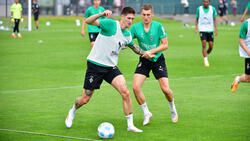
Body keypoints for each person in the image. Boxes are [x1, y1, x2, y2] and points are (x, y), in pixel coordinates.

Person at [65, 7, 155, 132]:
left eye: (132, 19)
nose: (130, 21)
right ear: (122, 17)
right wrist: (101, 14)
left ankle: (130, 125)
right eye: (128, 18)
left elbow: (134, 47)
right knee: (85, 99)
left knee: (125, 92)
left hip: (110, 67)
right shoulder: (111, 24)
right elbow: (89, 21)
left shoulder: (127, 35)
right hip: (95, 65)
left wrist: (145, 53)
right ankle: (73, 110)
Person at [130, 4, 178, 126]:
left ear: (152, 15)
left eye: (148, 15)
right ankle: (146, 113)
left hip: (157, 60)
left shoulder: (158, 26)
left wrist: (150, 52)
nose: (146, 17)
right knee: (135, 87)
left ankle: (172, 108)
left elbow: (165, 44)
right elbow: (127, 41)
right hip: (144, 60)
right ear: (141, 15)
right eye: (144, 15)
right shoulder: (135, 28)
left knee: (165, 90)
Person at [195, 0, 217, 67]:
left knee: (211, 46)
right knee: (204, 44)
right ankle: (205, 59)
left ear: (209, 2)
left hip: (210, 29)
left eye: (207, 2)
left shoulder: (212, 9)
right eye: (204, 2)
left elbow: (214, 19)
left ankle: (205, 54)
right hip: (202, 29)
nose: (205, 3)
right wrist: (196, 28)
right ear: (203, 2)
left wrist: (216, 29)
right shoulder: (199, 9)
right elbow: (197, 19)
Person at [231, 18, 250, 92]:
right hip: (249, 54)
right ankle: (238, 79)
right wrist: (248, 51)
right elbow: (241, 40)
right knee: (248, 79)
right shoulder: (246, 24)